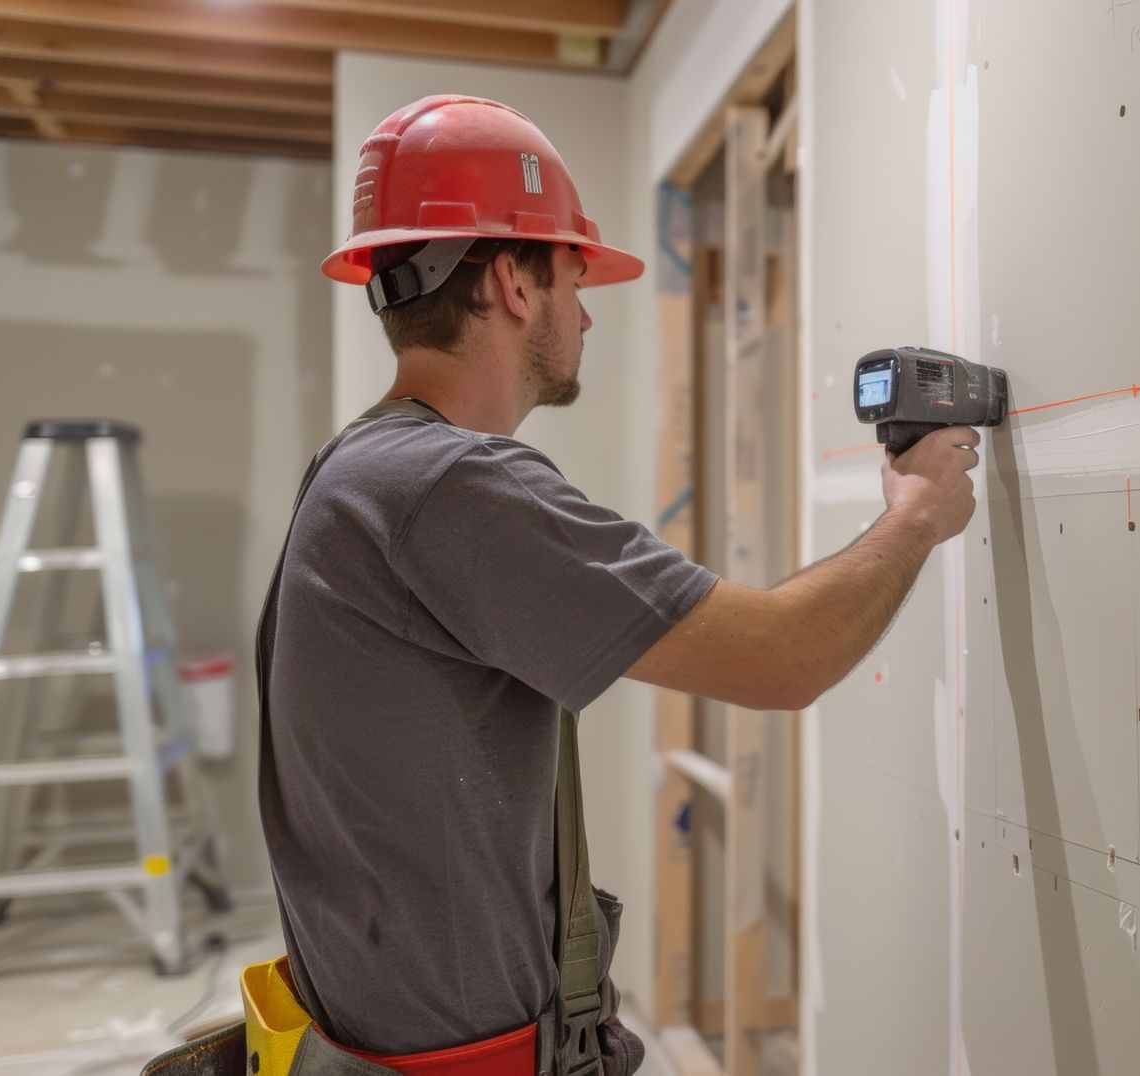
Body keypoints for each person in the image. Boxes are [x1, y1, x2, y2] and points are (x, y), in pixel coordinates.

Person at [144, 95, 979, 1076]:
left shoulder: (358, 467)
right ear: (510, 280)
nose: (585, 312)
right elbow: (784, 657)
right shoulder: (449, 484)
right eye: (575, 275)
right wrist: (917, 510)